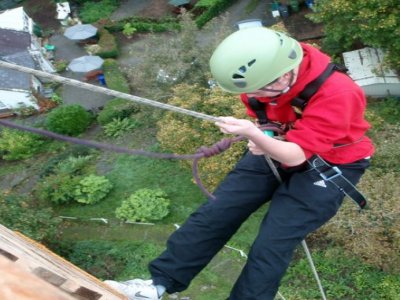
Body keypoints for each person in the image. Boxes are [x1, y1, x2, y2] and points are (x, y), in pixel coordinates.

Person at [105, 25, 374, 300]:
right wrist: (265, 136)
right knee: (217, 212)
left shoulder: (338, 92)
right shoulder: (259, 81)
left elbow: (296, 155)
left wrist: (255, 135)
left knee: (272, 242)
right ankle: (158, 284)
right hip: (281, 144)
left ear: (282, 76)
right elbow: (268, 120)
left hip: (332, 163)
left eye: (261, 91)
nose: (256, 96)